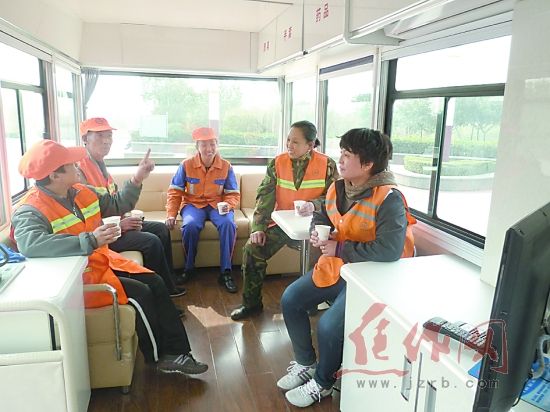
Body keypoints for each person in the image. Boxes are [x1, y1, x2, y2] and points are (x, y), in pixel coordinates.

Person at [11, 139, 208, 375]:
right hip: (77, 282)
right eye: (71, 164)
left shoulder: (81, 191)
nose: (77, 166)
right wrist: (91, 240)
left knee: (155, 281)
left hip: (101, 263)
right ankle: (161, 357)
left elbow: (117, 204)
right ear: (54, 175)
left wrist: (138, 178)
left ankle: (179, 352)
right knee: (140, 293)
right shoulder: (30, 209)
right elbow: (31, 244)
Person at [277, 128, 416, 407]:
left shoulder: (389, 198)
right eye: (341, 152)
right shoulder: (338, 187)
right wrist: (317, 231)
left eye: (347, 155)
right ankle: (306, 363)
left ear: (368, 164)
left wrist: (340, 249)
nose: (340, 159)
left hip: (373, 276)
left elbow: (389, 251)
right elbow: (322, 214)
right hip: (340, 267)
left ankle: (323, 382)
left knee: (329, 325)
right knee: (291, 299)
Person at [230, 120, 338, 321]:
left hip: (315, 227)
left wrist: (313, 204)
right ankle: (251, 304)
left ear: (310, 144)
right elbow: (265, 196)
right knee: (252, 250)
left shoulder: (328, 165)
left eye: (295, 142)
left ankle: (312, 301)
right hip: (282, 225)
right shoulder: (277, 163)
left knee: (319, 257)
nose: (289, 145)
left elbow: (335, 197)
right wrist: (258, 227)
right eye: (288, 140)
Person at [77, 117, 185, 299]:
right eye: (100, 135)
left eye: (109, 135)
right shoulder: (80, 171)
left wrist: (125, 218)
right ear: (85, 139)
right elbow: (88, 217)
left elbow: (113, 202)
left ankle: (169, 282)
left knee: (161, 229)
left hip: (114, 225)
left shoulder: (100, 166)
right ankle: (160, 293)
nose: (106, 141)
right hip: (102, 234)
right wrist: (120, 224)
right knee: (151, 241)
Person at [165, 127, 240, 293]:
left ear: (217, 145)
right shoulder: (186, 165)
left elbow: (233, 193)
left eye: (212, 144)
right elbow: (175, 192)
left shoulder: (226, 166)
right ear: (197, 147)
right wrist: (171, 214)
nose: (209, 149)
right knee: (190, 226)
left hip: (217, 205)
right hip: (193, 205)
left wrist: (228, 205)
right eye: (204, 145)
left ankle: (226, 272)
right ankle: (189, 269)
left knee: (228, 224)